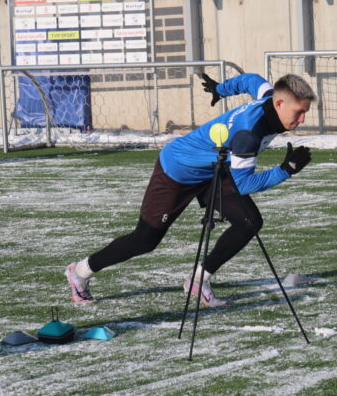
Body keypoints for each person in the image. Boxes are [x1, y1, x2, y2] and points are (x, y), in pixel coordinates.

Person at [64, 72, 315, 307]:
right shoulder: (249, 132)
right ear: (280, 104)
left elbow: (251, 80)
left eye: (305, 112)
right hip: (177, 170)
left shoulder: (268, 95)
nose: (302, 119)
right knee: (145, 240)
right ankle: (80, 272)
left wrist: (221, 89)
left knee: (249, 221)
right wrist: (286, 170)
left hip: (214, 169)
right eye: (298, 112)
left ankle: (198, 280)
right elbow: (243, 184)